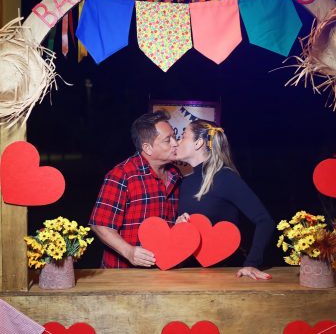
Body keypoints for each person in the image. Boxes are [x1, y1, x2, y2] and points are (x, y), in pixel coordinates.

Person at [176, 119, 275, 280]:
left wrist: (252, 263)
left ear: (198, 143)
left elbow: (265, 221)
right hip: (190, 274)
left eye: (183, 136)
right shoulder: (186, 182)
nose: (178, 142)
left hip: (226, 275)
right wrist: (179, 225)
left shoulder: (226, 178)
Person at [89, 110, 180, 268]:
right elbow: (99, 225)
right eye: (168, 140)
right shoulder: (122, 175)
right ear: (148, 148)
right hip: (124, 274)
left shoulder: (175, 174)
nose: (175, 143)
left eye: (174, 136)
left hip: (164, 272)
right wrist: (128, 251)